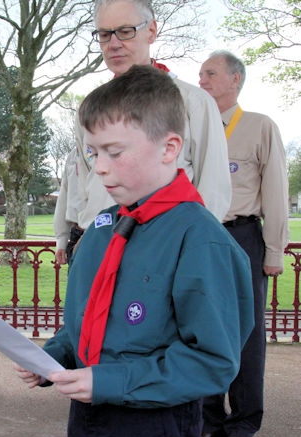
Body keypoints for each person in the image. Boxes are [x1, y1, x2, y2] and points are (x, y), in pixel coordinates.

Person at [16, 65, 254, 437]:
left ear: (169, 148)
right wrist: (50, 356)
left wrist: (111, 382)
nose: (100, 168)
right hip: (87, 423)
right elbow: (85, 322)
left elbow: (213, 361)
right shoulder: (101, 230)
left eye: (114, 151)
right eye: (93, 153)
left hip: (156, 435)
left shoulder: (199, 239)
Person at [54, 0, 231, 264]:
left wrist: (188, 249)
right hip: (97, 247)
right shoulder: (90, 107)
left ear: (151, 31)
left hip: (162, 252)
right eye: (104, 34)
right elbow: (82, 179)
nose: (113, 43)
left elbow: (213, 189)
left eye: (126, 31)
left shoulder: (193, 102)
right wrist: (78, 237)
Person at [199, 51, 289, 437]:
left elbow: (275, 192)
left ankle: (243, 427)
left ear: (235, 79)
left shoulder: (258, 127)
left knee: (248, 336)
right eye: (200, 73)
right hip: (200, 238)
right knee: (200, 329)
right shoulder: (193, 128)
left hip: (244, 237)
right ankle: (210, 420)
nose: (202, 79)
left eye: (210, 73)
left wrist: (273, 249)